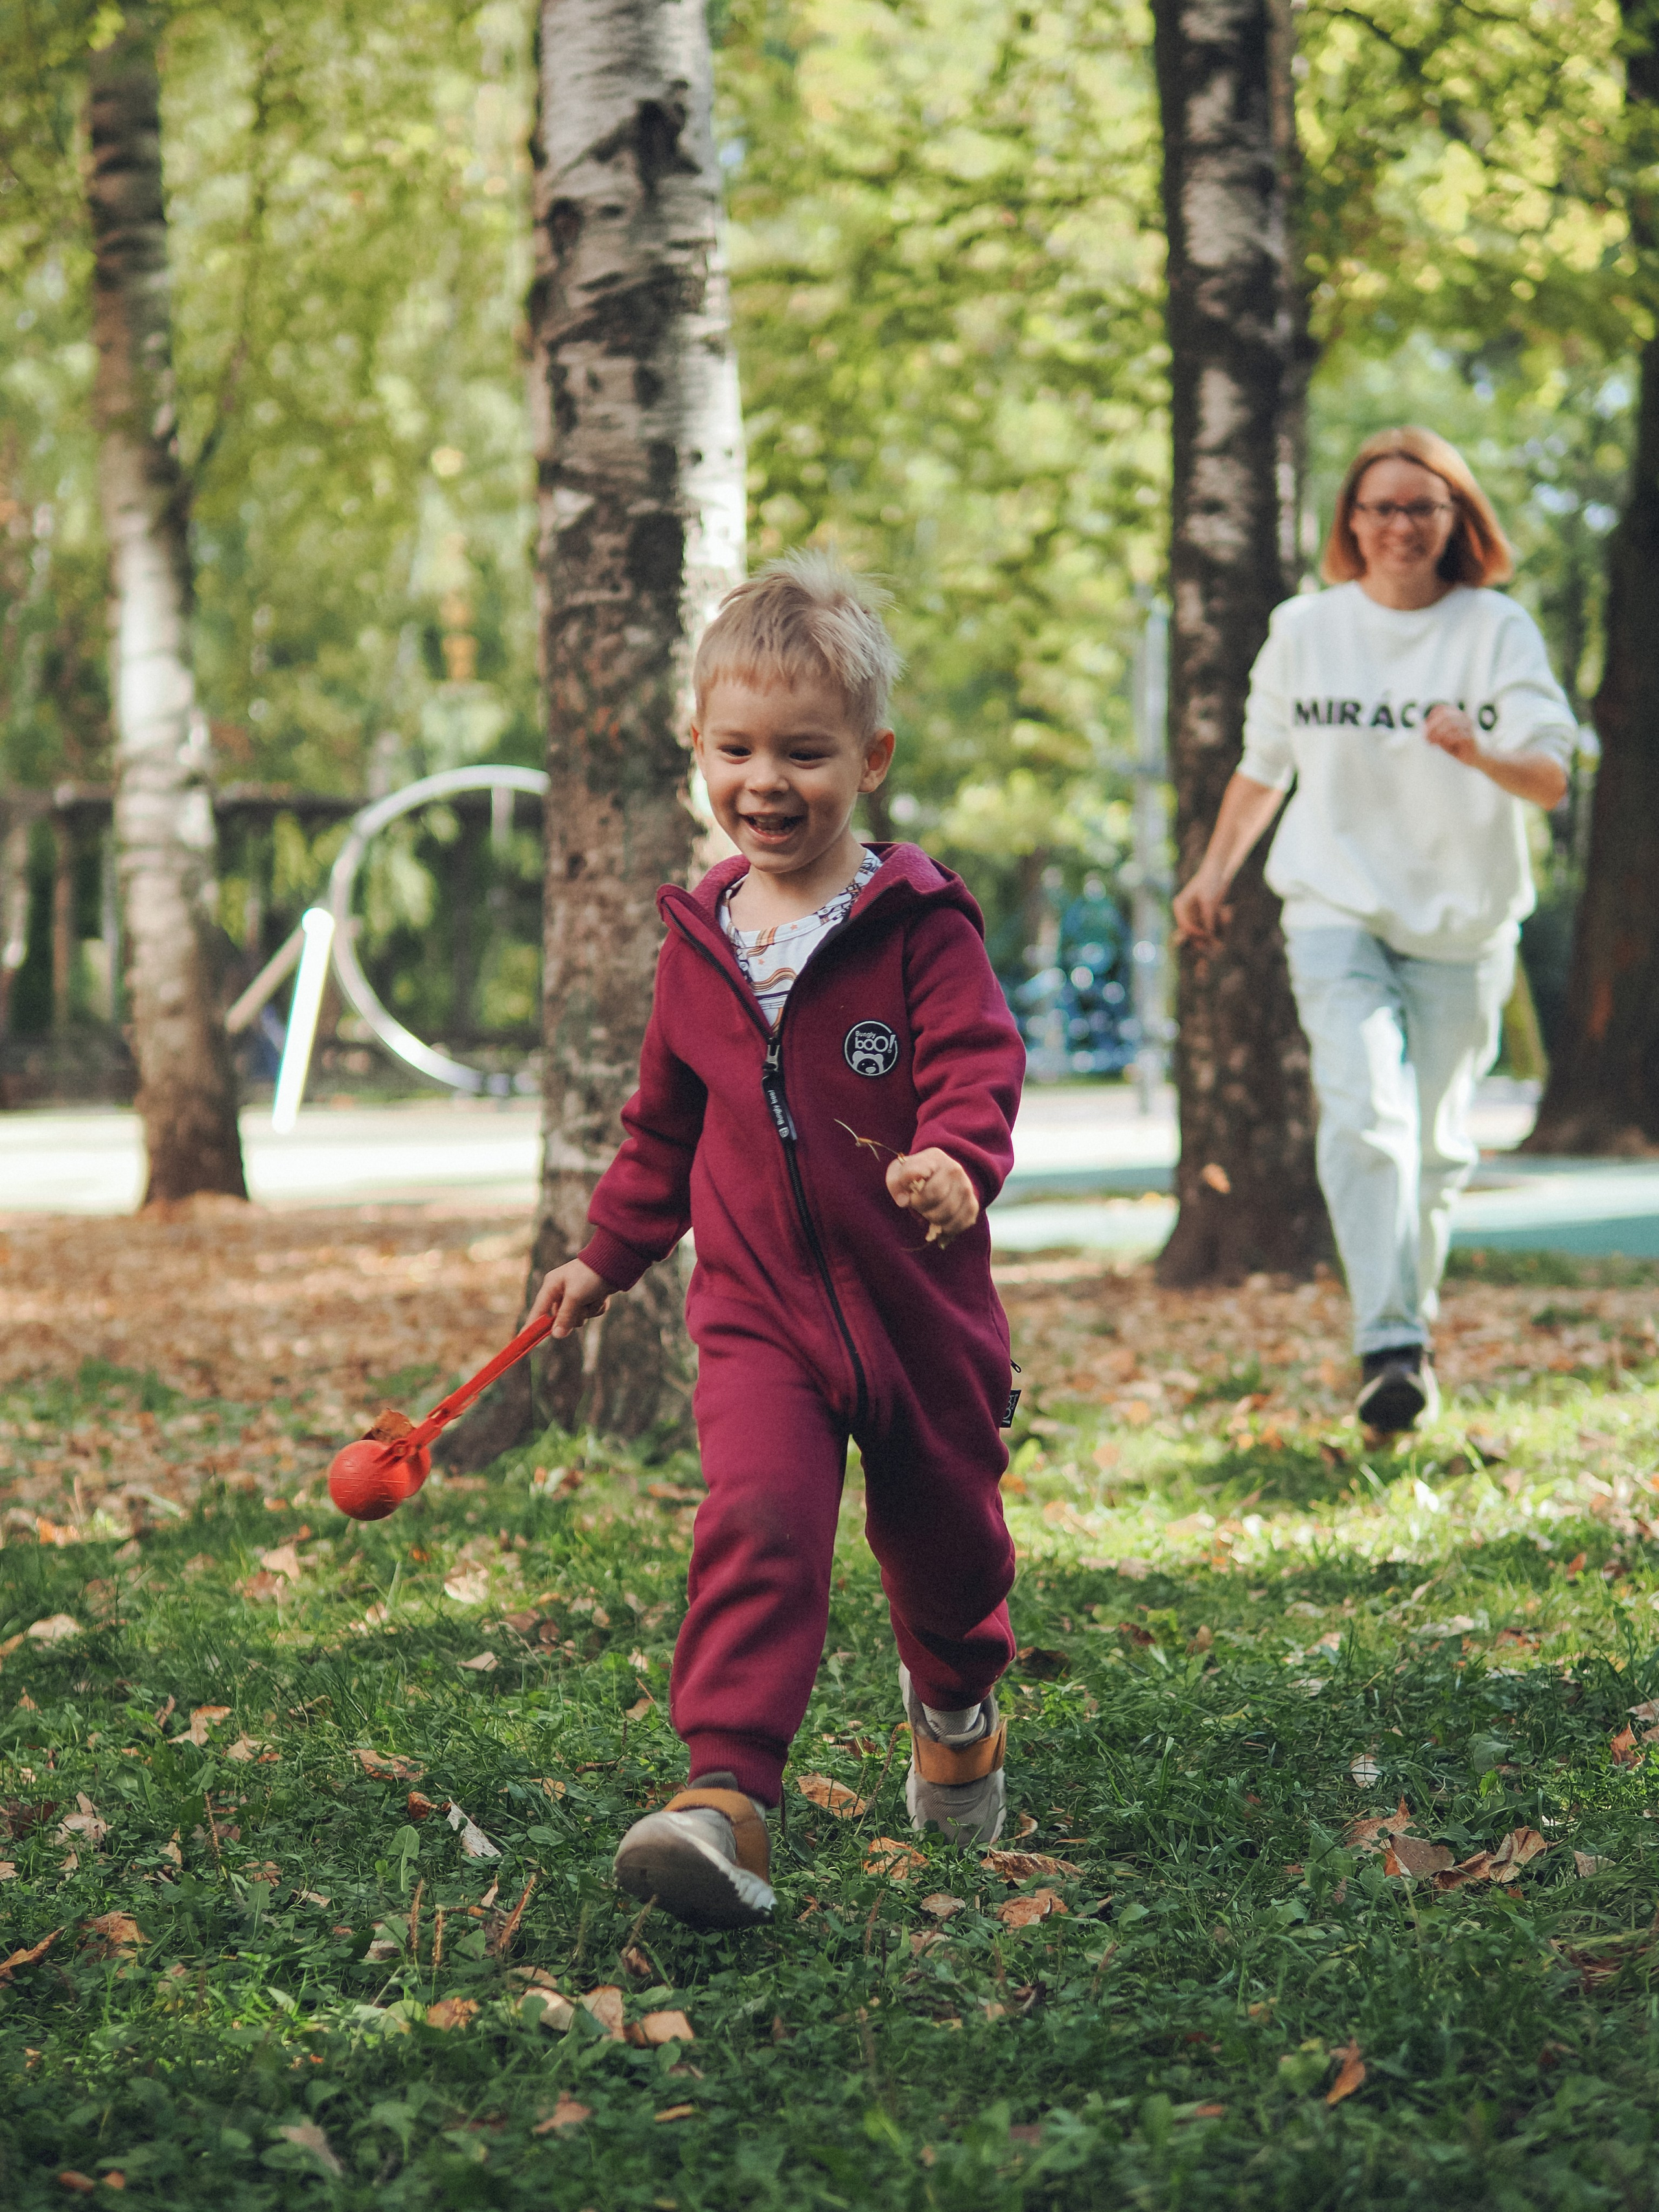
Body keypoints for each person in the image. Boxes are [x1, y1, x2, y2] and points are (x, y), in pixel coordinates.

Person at [528, 553, 1027, 1929]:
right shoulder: (697, 944)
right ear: (696, 747)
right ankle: (724, 1795)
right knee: (754, 1522)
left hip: (916, 1310)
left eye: (804, 751)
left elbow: (976, 1063)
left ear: (866, 759)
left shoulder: (915, 921)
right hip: (758, 1320)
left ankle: (956, 1699)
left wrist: (952, 1159)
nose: (767, 779)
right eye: (736, 747)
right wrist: (603, 1255)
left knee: (948, 1550)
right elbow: (659, 1128)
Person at [1172, 426, 1573, 1435]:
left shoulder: (1497, 629)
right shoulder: (1306, 627)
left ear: (1454, 522)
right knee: (1366, 1116)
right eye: (1381, 507)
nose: (1400, 525)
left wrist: (1479, 749)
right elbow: (1266, 766)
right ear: (1350, 521)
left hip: (1465, 919)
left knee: (1435, 1149)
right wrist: (1214, 872)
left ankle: (1408, 1329)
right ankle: (1387, 1344)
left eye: (1422, 508)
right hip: (1335, 906)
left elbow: (1553, 774)